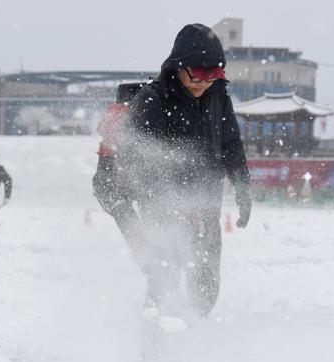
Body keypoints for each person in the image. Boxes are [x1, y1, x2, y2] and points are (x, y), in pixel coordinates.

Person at [93, 23, 251, 318]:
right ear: (178, 67)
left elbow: (231, 142)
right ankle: (155, 357)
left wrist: (241, 184)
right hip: (163, 207)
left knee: (206, 287)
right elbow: (132, 162)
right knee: (163, 282)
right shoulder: (152, 102)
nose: (205, 82)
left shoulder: (217, 96)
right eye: (198, 74)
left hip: (206, 204)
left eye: (214, 74)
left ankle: (193, 343)